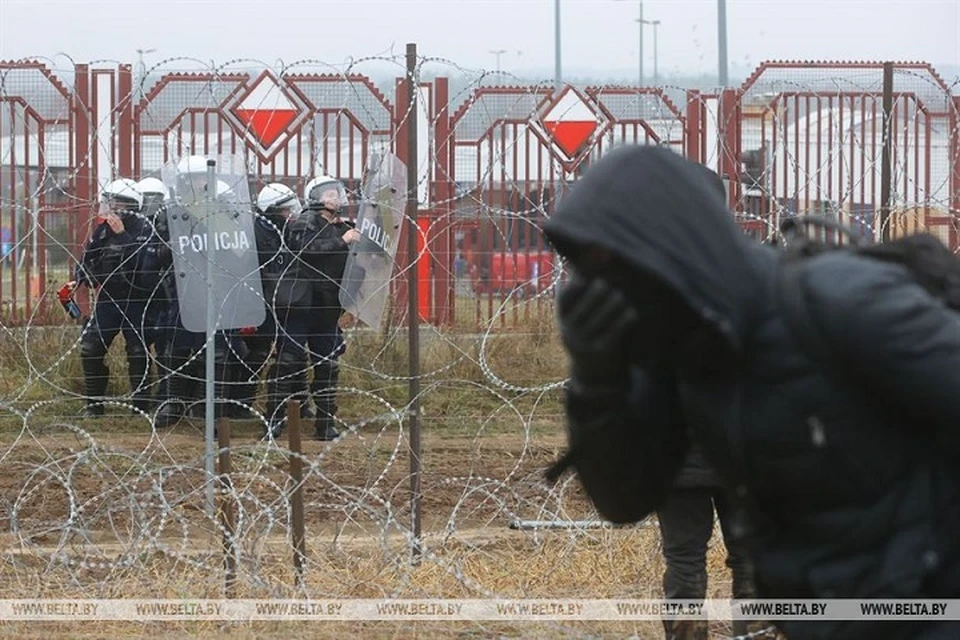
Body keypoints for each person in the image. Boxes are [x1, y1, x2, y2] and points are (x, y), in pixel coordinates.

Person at [542, 144, 960, 640]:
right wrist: (598, 379)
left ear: (672, 248)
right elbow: (624, 499)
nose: (600, 289)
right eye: (585, 272)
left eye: (613, 267)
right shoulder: (678, 351)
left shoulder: (838, 301)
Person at [275, 174, 360, 441]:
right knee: (288, 363)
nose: (336, 197)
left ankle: (325, 423)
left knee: (328, 365)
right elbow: (305, 249)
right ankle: (273, 420)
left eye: (337, 192)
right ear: (315, 198)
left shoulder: (340, 228)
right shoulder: (303, 223)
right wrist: (343, 240)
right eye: (329, 193)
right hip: (301, 306)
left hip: (327, 309)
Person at [74, 178, 155, 416]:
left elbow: (143, 264)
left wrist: (121, 235)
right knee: (90, 348)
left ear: (129, 206)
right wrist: (82, 274)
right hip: (108, 300)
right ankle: (95, 406)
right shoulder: (103, 230)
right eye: (109, 204)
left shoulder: (144, 229)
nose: (110, 209)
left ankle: (140, 407)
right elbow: (87, 258)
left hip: (136, 301)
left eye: (115, 204)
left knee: (138, 352)